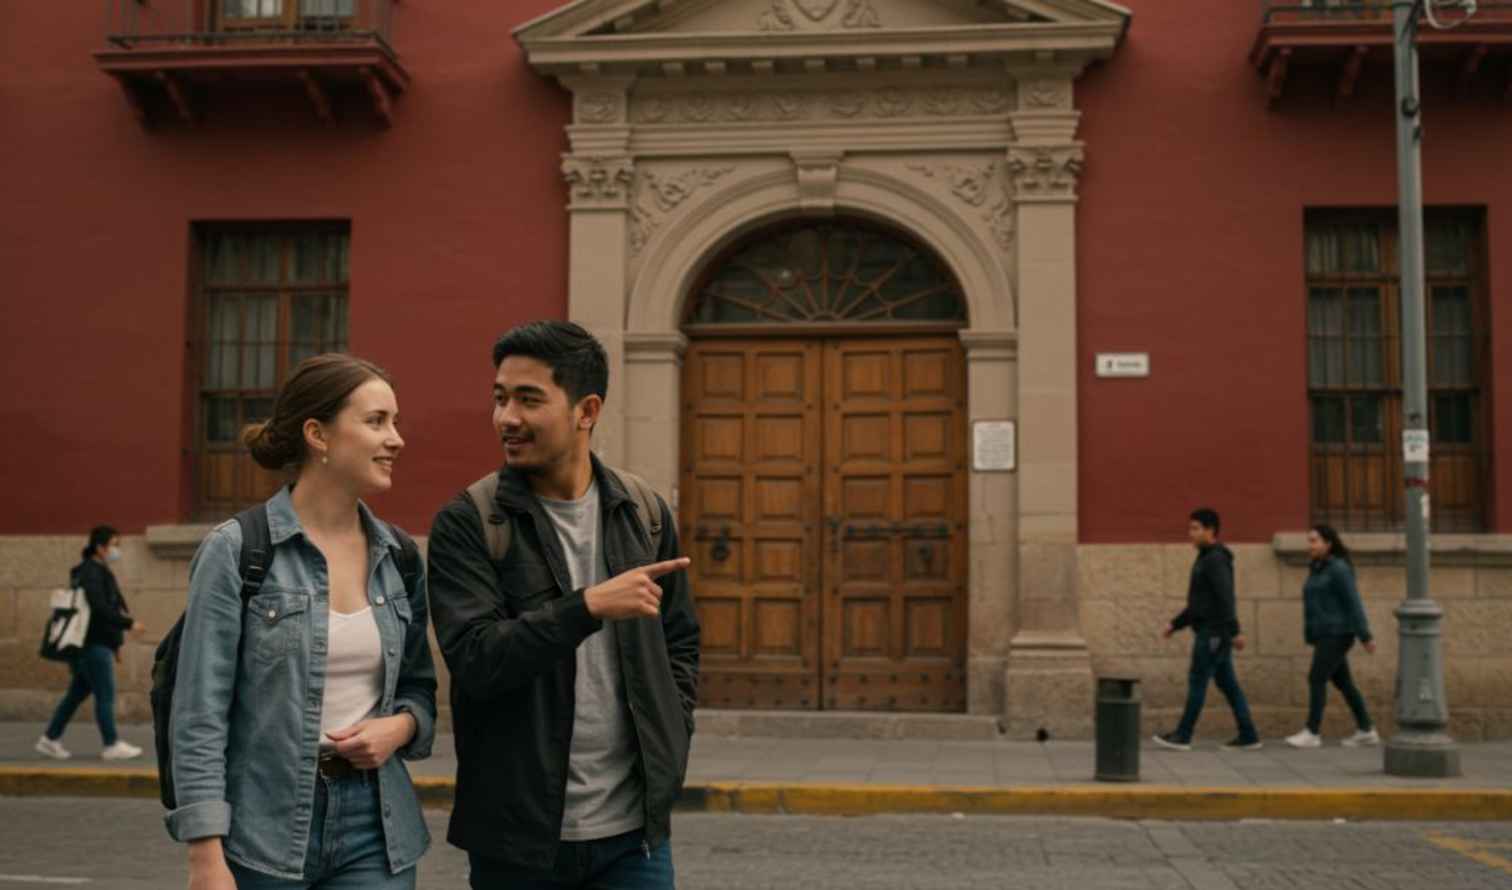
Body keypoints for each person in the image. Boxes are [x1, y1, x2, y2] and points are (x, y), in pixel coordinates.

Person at [427, 321, 699, 890]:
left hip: (635, 839)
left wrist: (672, 735)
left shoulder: (642, 511)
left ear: (586, 410)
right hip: (519, 843)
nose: (506, 418)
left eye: (529, 399)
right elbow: (475, 660)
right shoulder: (472, 522)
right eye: (500, 398)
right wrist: (587, 607)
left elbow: (679, 640)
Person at [166, 354, 437, 890]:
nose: (397, 439)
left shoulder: (398, 556)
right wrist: (204, 853)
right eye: (376, 421)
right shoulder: (238, 550)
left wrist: (400, 727)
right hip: (262, 829)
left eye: (395, 422)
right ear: (319, 435)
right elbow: (199, 711)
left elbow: (419, 689)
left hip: (376, 829)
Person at [1152, 508, 1262, 752]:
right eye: (1190, 528)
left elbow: (1225, 597)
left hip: (1213, 633)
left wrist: (1234, 631)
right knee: (1228, 684)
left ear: (1210, 530)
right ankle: (1249, 734)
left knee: (1198, 680)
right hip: (1214, 631)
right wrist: (1176, 623)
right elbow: (1199, 603)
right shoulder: (1205, 557)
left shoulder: (1215, 559)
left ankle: (1183, 735)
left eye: (1195, 528)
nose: (1190, 533)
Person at [35, 525, 146, 761]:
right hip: (92, 644)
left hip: (95, 644)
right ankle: (111, 744)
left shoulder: (95, 570)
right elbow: (100, 608)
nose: (117, 550)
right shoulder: (91, 572)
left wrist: (115, 647)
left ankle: (49, 739)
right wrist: (128, 624)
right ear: (100, 547)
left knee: (76, 694)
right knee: (105, 695)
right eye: (114, 545)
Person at [1285, 525, 1378, 749]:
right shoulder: (1317, 568)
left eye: (1314, 541)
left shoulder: (1339, 569)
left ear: (1328, 543)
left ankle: (1312, 732)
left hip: (1337, 633)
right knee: (1344, 683)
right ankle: (1366, 730)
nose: (1310, 545)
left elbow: (1353, 602)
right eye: (1309, 540)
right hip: (1325, 633)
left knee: (1316, 678)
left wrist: (1365, 635)